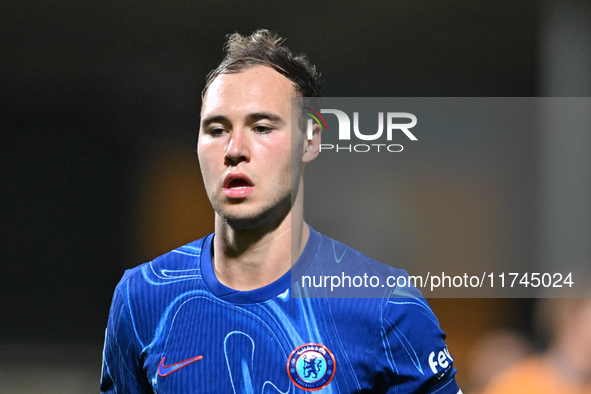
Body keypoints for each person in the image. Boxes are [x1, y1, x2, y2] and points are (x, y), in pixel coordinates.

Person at [100, 29, 462, 393]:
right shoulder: (141, 298)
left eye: (261, 127)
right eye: (216, 129)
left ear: (311, 139)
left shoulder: (383, 304)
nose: (234, 149)